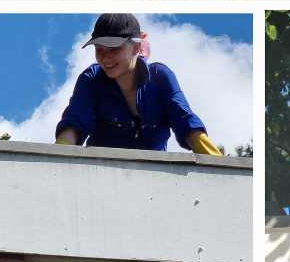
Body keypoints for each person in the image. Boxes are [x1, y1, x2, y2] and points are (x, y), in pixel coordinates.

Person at [55, 13, 222, 155]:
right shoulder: (91, 79)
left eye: (114, 49)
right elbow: (74, 122)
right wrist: (57, 159)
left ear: (135, 48)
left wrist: (218, 164)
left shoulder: (161, 77)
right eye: (99, 50)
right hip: (102, 175)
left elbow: (185, 121)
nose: (105, 58)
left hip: (153, 179)